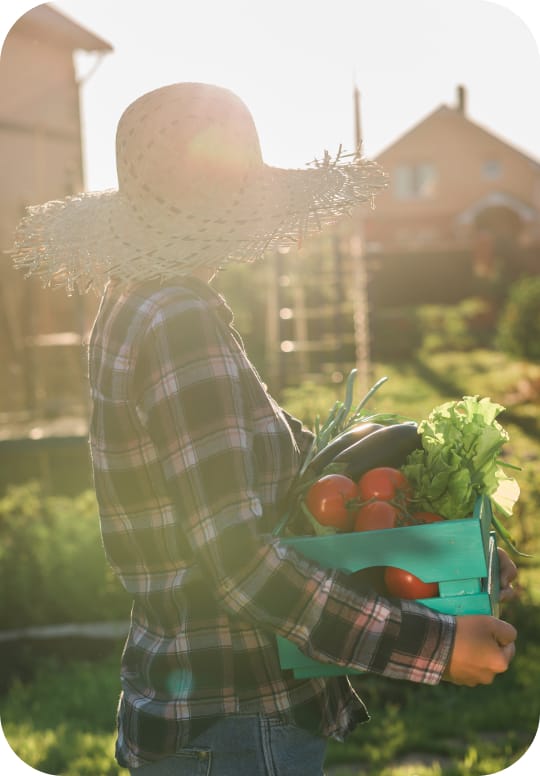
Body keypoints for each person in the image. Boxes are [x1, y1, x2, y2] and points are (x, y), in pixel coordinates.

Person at [11, 82, 518, 776]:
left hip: (193, 707)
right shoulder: (179, 322)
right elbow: (241, 564)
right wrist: (436, 645)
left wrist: (455, 555)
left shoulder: (131, 306)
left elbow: (281, 483)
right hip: (239, 723)